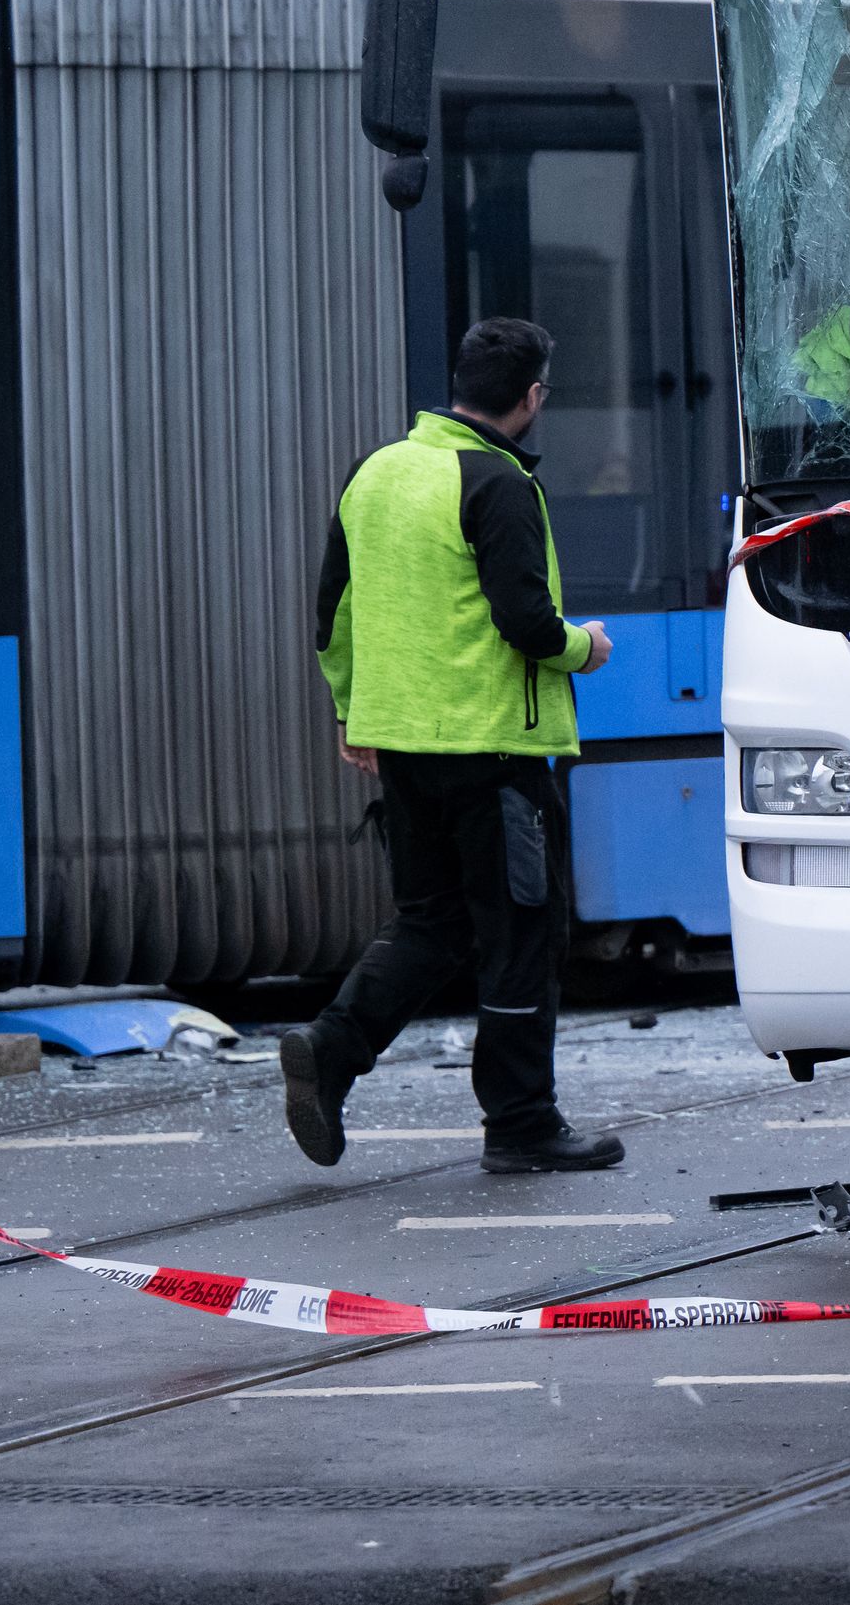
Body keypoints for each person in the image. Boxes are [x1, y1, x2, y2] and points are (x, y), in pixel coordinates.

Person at [282, 317, 625, 1173]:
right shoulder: (498, 481)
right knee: (520, 933)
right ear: (532, 396)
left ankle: (331, 1049)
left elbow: (334, 612)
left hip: (401, 744)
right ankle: (521, 1124)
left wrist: (351, 709)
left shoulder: (379, 472)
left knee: (431, 922)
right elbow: (525, 622)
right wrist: (586, 646)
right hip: (493, 751)